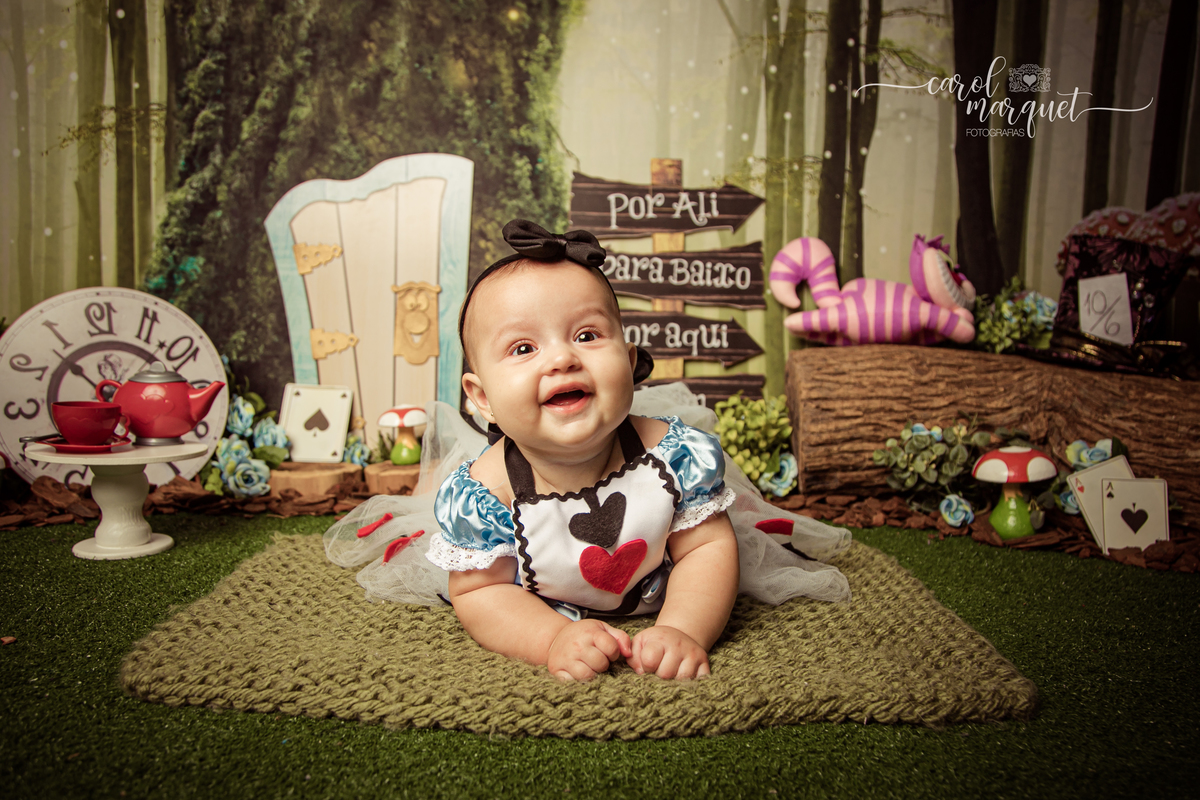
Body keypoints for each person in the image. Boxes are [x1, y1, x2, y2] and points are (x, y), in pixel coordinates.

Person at [323, 220, 852, 682]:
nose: (561, 359)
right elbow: (480, 595)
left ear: (628, 359)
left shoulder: (673, 456)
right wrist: (552, 638)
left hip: (658, 583)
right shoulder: (485, 492)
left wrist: (680, 628)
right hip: (540, 601)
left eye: (586, 334)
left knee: (714, 546)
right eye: (524, 348)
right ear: (482, 398)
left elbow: (706, 551)